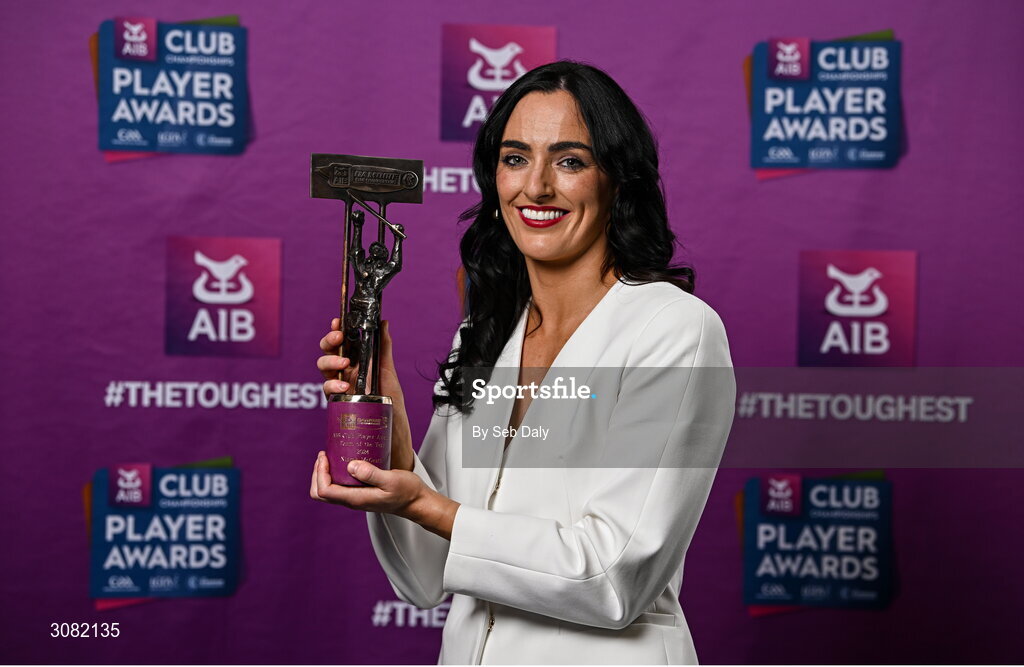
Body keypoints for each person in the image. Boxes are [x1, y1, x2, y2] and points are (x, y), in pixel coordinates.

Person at [311, 61, 736, 664]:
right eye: (515, 158)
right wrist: (391, 430)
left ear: (618, 181)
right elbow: (425, 576)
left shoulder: (673, 329)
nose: (535, 187)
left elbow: (614, 579)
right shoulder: (486, 334)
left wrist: (426, 505)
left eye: (569, 161)